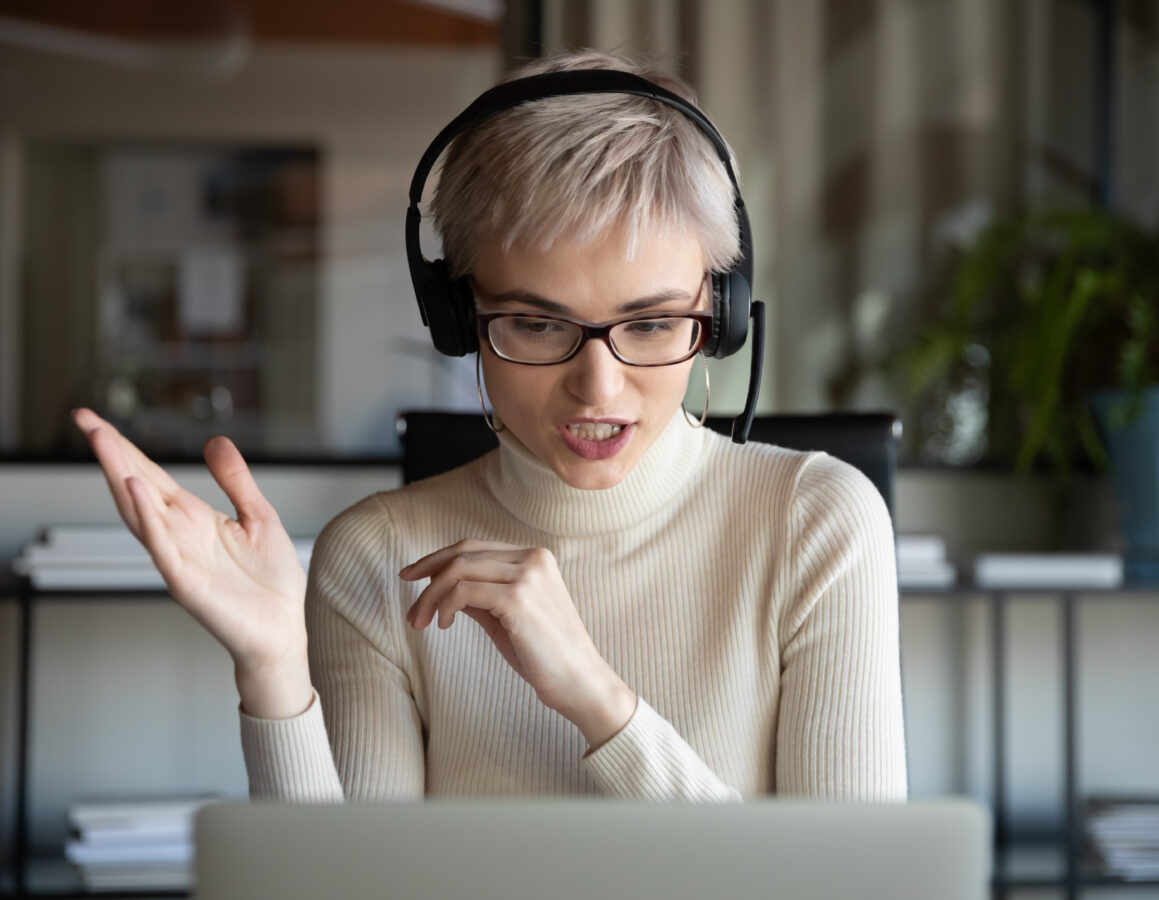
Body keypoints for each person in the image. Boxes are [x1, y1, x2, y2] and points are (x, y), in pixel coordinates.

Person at [72, 49, 906, 803]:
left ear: (719, 315)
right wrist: (274, 670)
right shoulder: (375, 559)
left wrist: (599, 702)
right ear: (458, 319)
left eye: (652, 324)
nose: (597, 387)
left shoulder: (820, 525)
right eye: (537, 324)